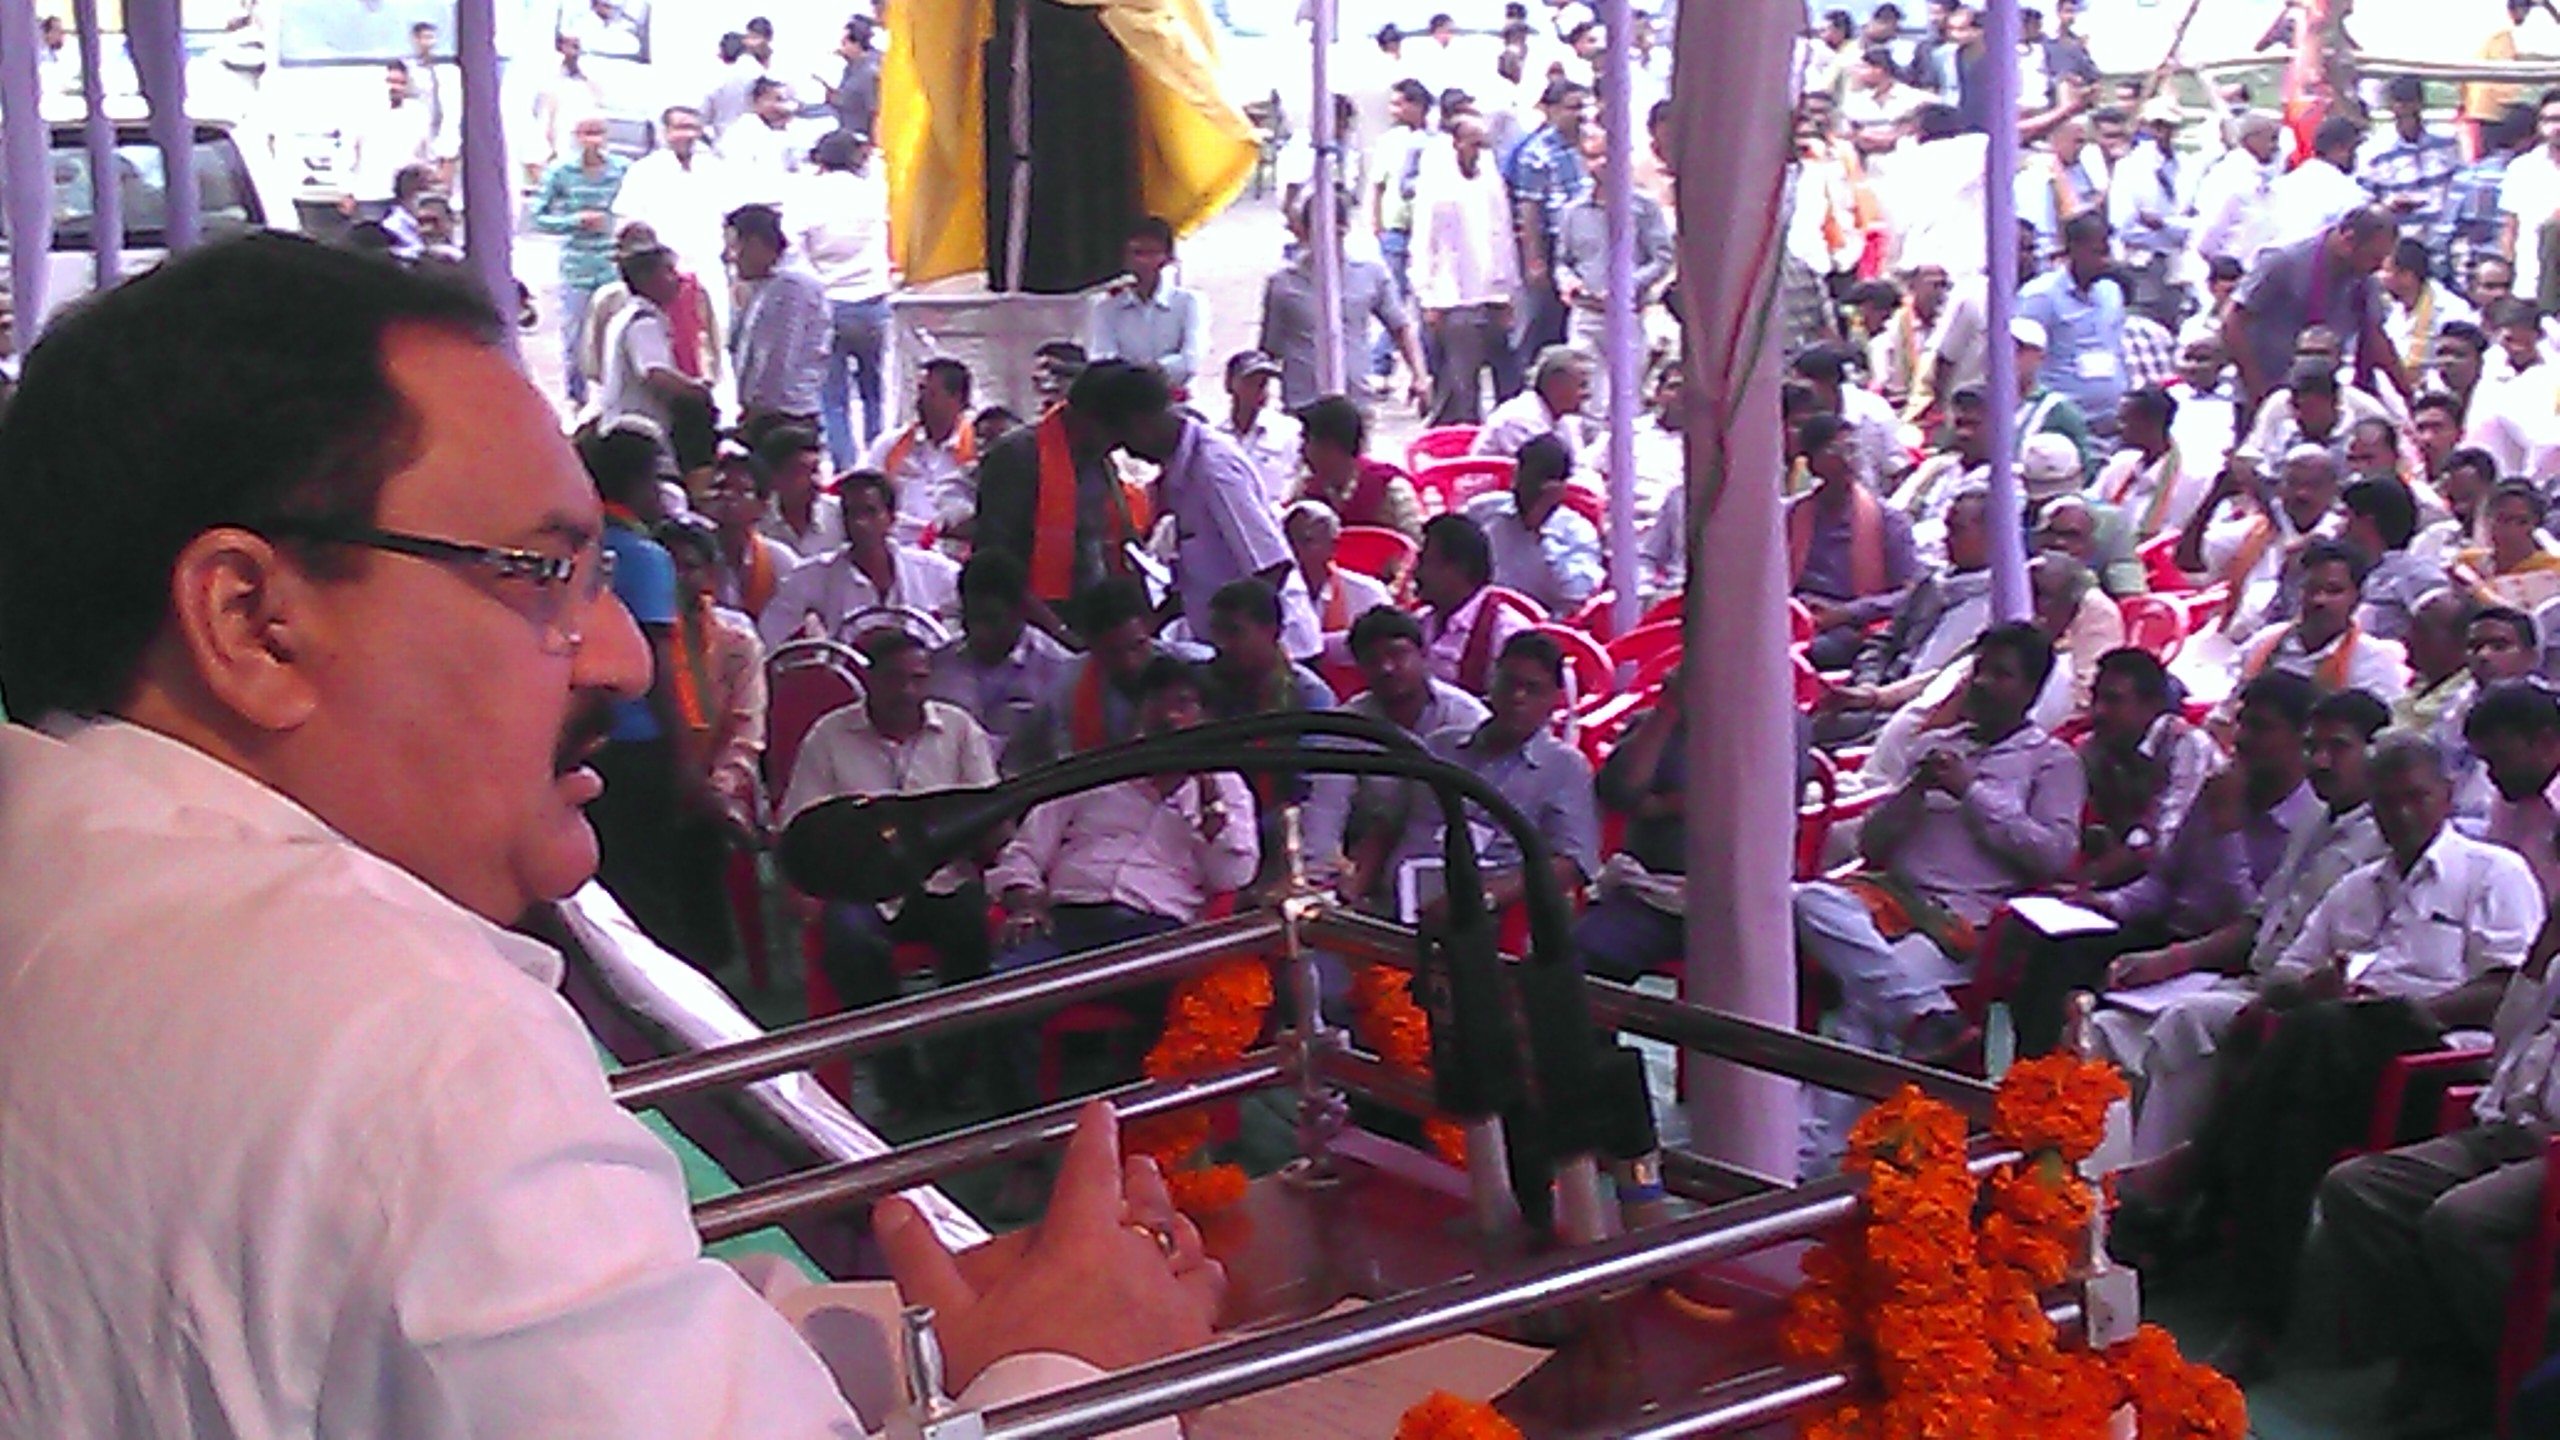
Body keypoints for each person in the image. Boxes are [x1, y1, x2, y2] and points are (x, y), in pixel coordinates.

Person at [0, 234, 1217, 1433]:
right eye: (540, 574)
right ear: (254, 621)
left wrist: (922, 1352)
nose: (626, 657)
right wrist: (1079, 1375)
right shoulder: (401, 1046)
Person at [2190, 738, 2543, 1381]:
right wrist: (2314, 988)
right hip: (2336, 1064)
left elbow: (2507, 989)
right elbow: (2282, 979)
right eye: (2389, 801)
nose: (2404, 813)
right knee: (2292, 1117)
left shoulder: (2493, 872)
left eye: (2418, 797)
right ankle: (2260, 1320)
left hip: (2436, 1058)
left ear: (2444, 796)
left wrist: (2416, 1011)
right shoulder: (2357, 887)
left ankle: (2193, 1183)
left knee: (2315, 1039)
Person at [1796, 624, 2085, 1160]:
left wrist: (1970, 792)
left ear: (2030, 690)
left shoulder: (2052, 762)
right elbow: (1875, 845)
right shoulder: (1936, 747)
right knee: (1806, 900)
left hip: (1962, 923)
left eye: (2003, 675)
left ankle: (1809, 1155)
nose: (1984, 684)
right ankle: (1927, 1014)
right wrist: (1915, 792)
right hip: (1888, 901)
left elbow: (2050, 855)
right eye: (1981, 670)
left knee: (1867, 1002)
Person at [2092, 688, 2396, 1171]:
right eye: (2313, 747)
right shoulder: (2318, 820)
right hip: (2247, 977)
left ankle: (2147, 1191)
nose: (2320, 761)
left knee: (2185, 1024)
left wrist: (2229, 829)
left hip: (2302, 998)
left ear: (2376, 754)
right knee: (2105, 1029)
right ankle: (2083, 1185)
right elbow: (2256, 920)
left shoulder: (2383, 840)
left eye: (2338, 747)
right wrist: (2170, 960)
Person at [2008, 668, 2318, 1056]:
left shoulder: (2308, 824)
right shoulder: (2222, 787)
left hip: (2217, 958)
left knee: (2105, 1001)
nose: (2242, 740)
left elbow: (2247, 922)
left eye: (2261, 728)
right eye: (2242, 724)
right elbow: (2164, 880)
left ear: (2300, 740)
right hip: (2165, 928)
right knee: (2058, 947)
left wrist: (2227, 833)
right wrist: (2107, 902)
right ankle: (2021, 1081)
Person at [783, 627, 1005, 1109]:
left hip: (944, 880)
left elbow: (990, 813)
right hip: (862, 888)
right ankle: (896, 1076)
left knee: (974, 927)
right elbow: (799, 825)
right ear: (869, 679)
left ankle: (949, 1073)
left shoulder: (959, 728)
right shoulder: (829, 735)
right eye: (895, 680)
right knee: (849, 938)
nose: (908, 692)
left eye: (918, 679)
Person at [991, 655, 1259, 971]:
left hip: (1153, 930)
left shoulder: (1226, 786)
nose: (1169, 716)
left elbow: (1233, 876)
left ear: (1205, 717)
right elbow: (1023, 855)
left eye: (1183, 705)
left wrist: (1208, 796)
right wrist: (1027, 906)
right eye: (1157, 702)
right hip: (1069, 918)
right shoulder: (1096, 771)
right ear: (1140, 710)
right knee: (1002, 990)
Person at [1378, 631, 1603, 926]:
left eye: (1532, 689)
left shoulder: (1564, 767)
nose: (1517, 697)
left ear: (1553, 700)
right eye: (1510, 683)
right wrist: (1354, 885)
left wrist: (1484, 896)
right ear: (1493, 681)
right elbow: (1387, 825)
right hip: (1398, 898)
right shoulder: (1440, 746)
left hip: (1488, 912)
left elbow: (1574, 861)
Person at [1078, 362, 1305, 650]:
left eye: (1124, 440)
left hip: (1273, 651)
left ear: (1140, 424)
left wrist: (1240, 645)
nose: (1129, 452)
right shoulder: (1181, 469)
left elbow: (1271, 567)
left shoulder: (1213, 469)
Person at [1303, 607, 1492, 895]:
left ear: (1423, 654)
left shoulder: (1466, 719)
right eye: (1373, 660)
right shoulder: (1346, 725)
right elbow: (1325, 814)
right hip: (1362, 866)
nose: (1387, 668)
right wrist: (1319, 887)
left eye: (1397, 655)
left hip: (1451, 861)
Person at [655, 517, 767, 970]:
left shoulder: (737, 643)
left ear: (711, 576)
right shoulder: (641, 640)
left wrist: (715, 790)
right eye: (670, 567)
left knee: (702, 837)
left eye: (691, 566)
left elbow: (747, 734)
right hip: (656, 786)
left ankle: (708, 963)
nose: (681, 578)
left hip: (723, 787)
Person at [973, 367, 1141, 637]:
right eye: (1114, 429)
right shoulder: (1017, 455)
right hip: (1032, 630)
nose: (1118, 442)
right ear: (1086, 416)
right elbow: (996, 563)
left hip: (1091, 622)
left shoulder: (1100, 461)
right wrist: (1058, 632)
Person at [1573, 665, 1690, 983]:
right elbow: (1619, 794)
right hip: (1651, 895)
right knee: (1579, 955)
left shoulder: (1781, 726)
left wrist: (1659, 805)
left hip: (1744, 904)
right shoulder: (1653, 726)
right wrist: (1668, 709)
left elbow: (1737, 806)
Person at [758, 470, 963, 649]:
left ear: (892, 518)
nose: (859, 523)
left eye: (870, 512)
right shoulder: (813, 576)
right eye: (851, 513)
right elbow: (772, 635)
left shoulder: (934, 571)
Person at [1260, 194, 1427, 412]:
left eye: (1334, 233)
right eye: (1318, 233)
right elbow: (1269, 348)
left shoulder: (1370, 274)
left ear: (1345, 229)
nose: (1327, 243)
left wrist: (1419, 376)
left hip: (1356, 402)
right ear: (1304, 232)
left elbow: (1400, 327)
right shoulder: (1283, 284)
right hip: (1303, 404)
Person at [2227, 206, 2404, 408]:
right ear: (2348, 240)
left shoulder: (2364, 277)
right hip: (2266, 389)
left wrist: (2407, 393)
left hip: (2324, 400)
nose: (2379, 267)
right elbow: (2233, 322)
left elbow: (2376, 338)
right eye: (2374, 257)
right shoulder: (2282, 261)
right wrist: (2257, 390)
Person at [1409, 112, 1522, 425]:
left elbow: (1503, 236)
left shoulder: (1489, 181)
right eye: (1474, 144)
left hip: (1491, 295)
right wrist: (1428, 297)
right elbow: (1424, 242)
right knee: (1461, 383)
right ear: (1456, 144)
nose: (1479, 151)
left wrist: (1506, 292)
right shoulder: (1438, 185)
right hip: (1453, 299)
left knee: (1506, 379)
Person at [1553, 125, 1673, 411]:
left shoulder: (1643, 207)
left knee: (1626, 400)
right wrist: (1568, 282)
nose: (1600, 164)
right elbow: (1562, 261)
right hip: (1586, 316)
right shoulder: (1573, 211)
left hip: (1626, 316)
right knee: (1588, 400)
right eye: (1592, 157)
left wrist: (1626, 285)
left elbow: (1662, 257)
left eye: (1607, 155)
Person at [1789, 414, 1922, 669]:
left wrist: (1847, 613)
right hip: (1798, 617)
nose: (1847, 459)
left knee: (1817, 652)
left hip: (1856, 626)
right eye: (1835, 450)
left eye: (1852, 449)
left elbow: (1910, 593)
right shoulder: (1792, 516)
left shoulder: (1888, 521)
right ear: (1812, 463)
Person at [929, 552, 1078, 775]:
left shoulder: (1059, 670)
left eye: (990, 619)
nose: (979, 633)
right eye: (970, 619)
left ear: (1021, 611)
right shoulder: (939, 666)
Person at [798, 130, 897, 468]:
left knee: (833, 397)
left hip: (829, 303)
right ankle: (877, 459)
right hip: (872, 300)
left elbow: (795, 248)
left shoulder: (807, 195)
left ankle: (845, 467)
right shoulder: (872, 193)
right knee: (874, 390)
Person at [2230, 539, 2412, 704]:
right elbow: (2227, 709)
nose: (2319, 600)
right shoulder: (2264, 643)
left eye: (2334, 591)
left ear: (2357, 597)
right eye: (2312, 588)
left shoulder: (2374, 660)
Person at [530, 115, 629, 409]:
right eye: (586, 133)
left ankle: (614, 398)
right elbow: (538, 217)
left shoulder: (622, 170)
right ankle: (576, 399)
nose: (592, 141)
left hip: (614, 262)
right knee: (575, 337)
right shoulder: (561, 172)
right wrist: (574, 221)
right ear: (576, 136)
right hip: (578, 265)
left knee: (617, 335)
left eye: (598, 133)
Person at [613, 106, 734, 328]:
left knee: (716, 335)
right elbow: (628, 224)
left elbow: (730, 219)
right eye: (680, 127)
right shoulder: (644, 172)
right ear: (666, 132)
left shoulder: (715, 170)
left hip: (708, 270)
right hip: (664, 276)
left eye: (693, 128)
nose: (687, 135)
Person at [2017, 210, 2131, 439]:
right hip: (2062, 426)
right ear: (2074, 249)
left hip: (2111, 424)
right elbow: (2021, 361)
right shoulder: (2040, 296)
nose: (2106, 261)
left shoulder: (2111, 292)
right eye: (2097, 253)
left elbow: (2116, 349)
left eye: (2107, 253)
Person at [1504, 79, 1594, 362]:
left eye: (1583, 107)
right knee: (1545, 319)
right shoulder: (1537, 152)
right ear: (1552, 110)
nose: (1579, 114)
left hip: (1587, 241)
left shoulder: (1591, 144)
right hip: (1553, 241)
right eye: (1571, 108)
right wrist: (1535, 260)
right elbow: (1529, 209)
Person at [1463, 433, 1602, 613]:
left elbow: (1576, 597)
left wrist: (1541, 533)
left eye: (1534, 481)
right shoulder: (1484, 511)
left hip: (1543, 625)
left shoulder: (1577, 532)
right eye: (1521, 476)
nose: (1522, 487)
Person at [728, 203, 832, 439]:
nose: (731, 257)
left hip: (784, 414)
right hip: (769, 413)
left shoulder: (791, 286)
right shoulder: (768, 284)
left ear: (754, 244)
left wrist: (755, 414)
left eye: (736, 247)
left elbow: (779, 357)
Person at [598, 245, 710, 444]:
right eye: (668, 271)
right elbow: (655, 373)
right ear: (645, 279)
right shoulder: (644, 323)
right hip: (637, 433)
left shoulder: (626, 315)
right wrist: (697, 391)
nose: (677, 279)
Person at [1086, 216, 1209, 393]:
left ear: (1167, 257)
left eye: (1152, 253)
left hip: (1177, 403)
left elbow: (1191, 359)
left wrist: (1150, 371)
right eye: (1137, 253)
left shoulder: (1189, 302)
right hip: (1124, 403)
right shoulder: (1106, 309)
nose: (1144, 261)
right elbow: (1102, 359)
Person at [1416, 512, 1535, 694]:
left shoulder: (1507, 633)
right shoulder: (1420, 622)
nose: (1416, 573)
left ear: (1458, 569)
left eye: (1425, 562)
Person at [867, 358, 978, 548]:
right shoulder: (889, 446)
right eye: (920, 391)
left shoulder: (978, 451)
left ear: (957, 399)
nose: (920, 401)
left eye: (931, 393)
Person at [2107, 99, 2194, 330]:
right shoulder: (2129, 167)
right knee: (2145, 322)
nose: (2163, 132)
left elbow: (2198, 222)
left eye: (2168, 126)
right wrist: (2176, 231)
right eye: (2157, 125)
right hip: (2142, 264)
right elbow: (2125, 227)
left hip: (2179, 264)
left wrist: (2164, 225)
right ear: (2147, 127)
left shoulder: (2187, 165)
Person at [2340, 476, 2448, 642]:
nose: (2339, 527)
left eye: (2347, 516)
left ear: (2367, 523)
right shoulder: (2349, 572)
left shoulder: (2416, 573)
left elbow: (2443, 626)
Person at [2361, 74, 2466, 240]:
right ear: (2391, 107)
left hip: (2443, 233)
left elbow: (2460, 185)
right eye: (2399, 103)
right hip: (2401, 237)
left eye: (2410, 102)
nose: (2405, 109)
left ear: (2420, 104)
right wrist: (2389, 206)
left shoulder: (2446, 141)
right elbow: (2366, 202)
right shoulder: (2375, 151)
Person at [1286, 499, 1392, 657]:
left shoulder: (1368, 593)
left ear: (1333, 546)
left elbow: (1387, 646)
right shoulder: (1273, 594)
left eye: (1306, 541)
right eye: (1287, 542)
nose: (1293, 551)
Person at [338, 60, 437, 224]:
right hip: (371, 195)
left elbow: (426, 153)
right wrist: (346, 191)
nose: (395, 87)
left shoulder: (418, 113)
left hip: (406, 198)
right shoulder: (362, 112)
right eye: (390, 81)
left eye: (401, 83)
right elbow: (347, 153)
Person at [2091, 385, 2194, 540]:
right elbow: (2091, 506)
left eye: (2124, 421)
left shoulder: (2190, 478)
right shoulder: (2121, 463)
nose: (2118, 428)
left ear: (2150, 424)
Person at [2190, 111, 2282, 280]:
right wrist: (2224, 269)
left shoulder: (2266, 174)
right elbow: (2209, 233)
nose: (2276, 147)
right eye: (2272, 139)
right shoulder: (2231, 175)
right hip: (2226, 275)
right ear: (2250, 140)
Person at [1473, 344, 1592, 466]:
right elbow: (1550, 471)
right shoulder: (1520, 419)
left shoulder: (1565, 419)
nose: (1588, 394)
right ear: (1557, 386)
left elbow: (1579, 465)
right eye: (1582, 385)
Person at [1214, 351, 1303, 507]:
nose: (1259, 390)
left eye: (1263, 383)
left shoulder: (1288, 431)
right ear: (1230, 384)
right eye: (1250, 382)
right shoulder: (1214, 435)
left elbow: (1298, 479)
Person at [2457, 479, 2560, 611]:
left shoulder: (2553, 568)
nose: (2511, 529)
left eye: (2521, 522)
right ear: (2487, 522)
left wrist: (2479, 590)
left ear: (2535, 525)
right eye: (2502, 519)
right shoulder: (2468, 563)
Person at [2501, 88, 2560, 315]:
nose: (2557, 127)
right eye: (2550, 120)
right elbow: (2510, 228)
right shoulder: (2522, 168)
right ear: (2539, 125)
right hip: (2529, 287)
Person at [753, 425, 845, 562]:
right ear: (773, 477)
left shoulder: (840, 515)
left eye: (816, 470)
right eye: (802, 471)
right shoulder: (756, 522)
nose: (815, 481)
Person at [719, 77, 802, 208]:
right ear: (757, 102)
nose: (783, 106)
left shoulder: (788, 131)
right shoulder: (741, 133)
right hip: (753, 207)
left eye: (786, 100)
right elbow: (743, 180)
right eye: (777, 100)